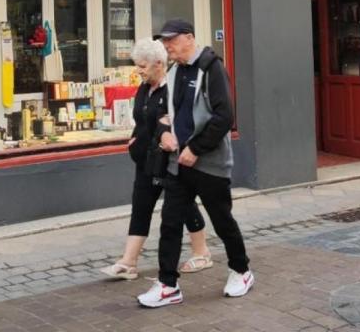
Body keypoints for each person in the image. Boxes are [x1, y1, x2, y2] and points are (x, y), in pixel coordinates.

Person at [137, 18, 253, 308]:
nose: (167, 46)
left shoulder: (212, 69)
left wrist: (196, 149)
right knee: (171, 222)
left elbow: (224, 116)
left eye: (171, 40)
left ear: (189, 38)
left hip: (209, 164)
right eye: (164, 42)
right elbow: (164, 113)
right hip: (179, 164)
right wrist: (165, 134)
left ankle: (241, 270)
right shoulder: (175, 72)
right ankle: (167, 285)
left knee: (222, 221)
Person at [101, 38, 214, 280]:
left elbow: (177, 121)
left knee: (184, 205)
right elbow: (142, 119)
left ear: (159, 64)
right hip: (145, 159)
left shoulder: (173, 89)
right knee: (141, 205)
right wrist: (134, 139)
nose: (138, 70)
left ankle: (202, 252)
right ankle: (128, 262)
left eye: (142, 66)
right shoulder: (144, 87)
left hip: (168, 159)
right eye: (137, 65)